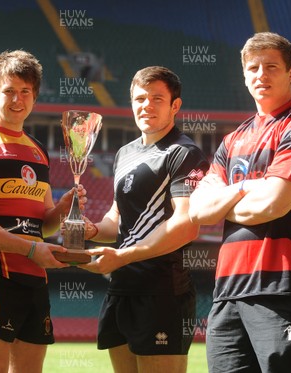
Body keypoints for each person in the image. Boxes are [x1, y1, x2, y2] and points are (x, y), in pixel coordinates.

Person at [188, 32, 291, 372]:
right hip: (227, 290)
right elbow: (197, 209)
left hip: (284, 284)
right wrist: (253, 187)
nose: (261, 75)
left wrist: (227, 197)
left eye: (271, 67)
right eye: (253, 68)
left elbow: (272, 204)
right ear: (244, 76)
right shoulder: (232, 139)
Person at [0, 50, 85, 373]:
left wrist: (63, 210)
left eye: (26, 92)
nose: (17, 99)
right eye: (9, 91)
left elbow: (43, 225)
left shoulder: (38, 151)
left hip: (34, 277)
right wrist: (31, 248)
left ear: (35, 97)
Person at [79, 66, 209, 372]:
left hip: (161, 291)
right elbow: (117, 219)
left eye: (156, 98)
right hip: (121, 288)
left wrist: (122, 256)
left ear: (175, 105)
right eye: (139, 98)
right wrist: (92, 229)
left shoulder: (184, 153)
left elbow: (187, 224)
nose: (146, 105)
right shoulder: (125, 153)